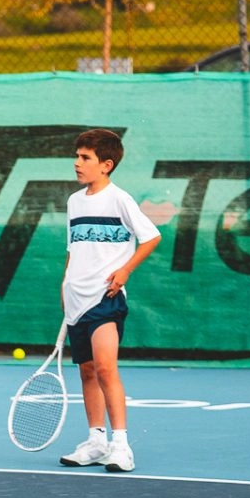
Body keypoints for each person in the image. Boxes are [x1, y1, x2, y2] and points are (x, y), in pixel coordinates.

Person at [58, 128, 161, 473]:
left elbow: (151, 237)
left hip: (106, 298)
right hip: (76, 298)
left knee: (105, 369)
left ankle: (121, 446)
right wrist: (65, 285)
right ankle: (96, 441)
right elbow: (73, 249)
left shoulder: (120, 199)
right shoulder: (74, 202)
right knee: (87, 372)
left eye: (84, 158)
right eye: (77, 156)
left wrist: (126, 270)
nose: (77, 163)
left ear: (106, 164)